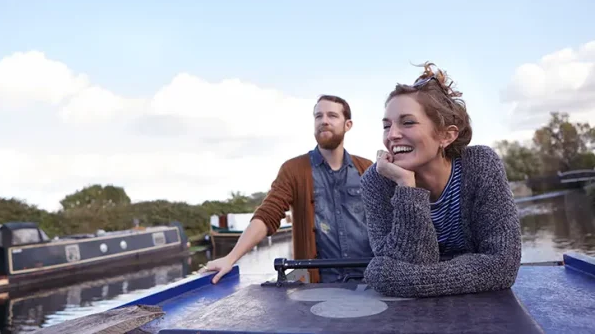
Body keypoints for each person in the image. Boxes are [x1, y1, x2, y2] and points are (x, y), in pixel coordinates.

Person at [361, 63, 521, 298]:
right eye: (387, 125)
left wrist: (391, 276)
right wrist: (406, 186)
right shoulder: (378, 182)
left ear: (446, 135)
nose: (392, 135)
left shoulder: (480, 165)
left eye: (407, 122)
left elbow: (503, 266)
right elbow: (412, 261)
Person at [204, 94, 374, 284]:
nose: (324, 121)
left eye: (332, 116)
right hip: (318, 287)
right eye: (318, 116)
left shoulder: (367, 168)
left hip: (369, 280)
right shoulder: (294, 170)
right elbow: (268, 214)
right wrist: (230, 258)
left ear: (348, 125)